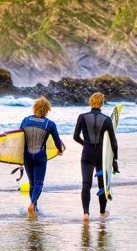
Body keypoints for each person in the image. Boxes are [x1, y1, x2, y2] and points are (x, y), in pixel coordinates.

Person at [73, 92, 118, 221]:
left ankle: (86, 214)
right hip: (101, 156)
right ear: (102, 103)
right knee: (102, 185)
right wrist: (114, 160)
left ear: (90, 102)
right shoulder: (107, 119)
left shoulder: (82, 117)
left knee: (86, 184)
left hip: (87, 155)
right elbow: (113, 142)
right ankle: (102, 212)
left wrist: (85, 145)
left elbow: (75, 137)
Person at [20, 97, 63, 215]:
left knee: (32, 183)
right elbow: (57, 141)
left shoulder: (26, 120)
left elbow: (19, 139)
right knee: (39, 183)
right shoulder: (50, 124)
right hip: (40, 156)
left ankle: (34, 207)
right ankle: (33, 204)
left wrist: (17, 158)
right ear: (47, 109)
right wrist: (60, 151)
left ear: (35, 108)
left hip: (27, 155)